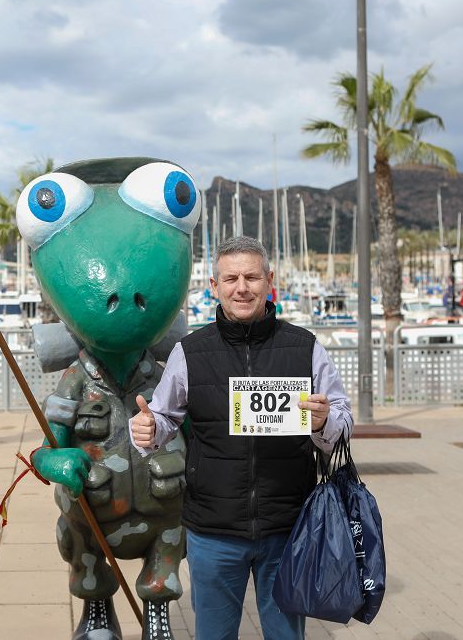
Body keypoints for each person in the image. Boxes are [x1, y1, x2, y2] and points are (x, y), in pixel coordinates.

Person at [130, 236, 352, 640]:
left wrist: (322, 423)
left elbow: (342, 419)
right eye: (230, 278)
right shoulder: (189, 351)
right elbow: (161, 417)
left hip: (288, 527)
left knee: (286, 635)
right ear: (214, 287)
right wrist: (146, 432)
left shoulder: (305, 347)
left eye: (252, 277)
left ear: (270, 281)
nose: (242, 287)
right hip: (212, 530)